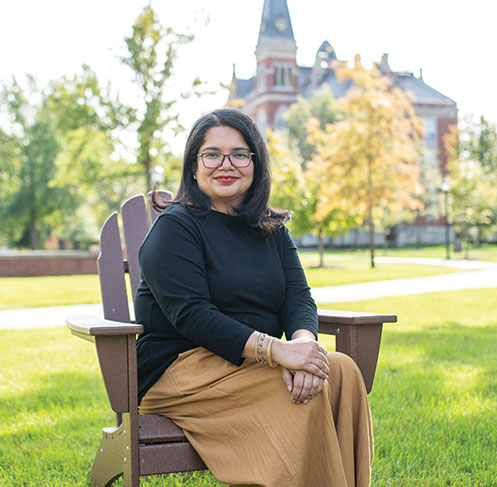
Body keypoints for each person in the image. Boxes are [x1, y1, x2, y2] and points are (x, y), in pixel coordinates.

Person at [134, 109, 373, 486]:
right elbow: (193, 315)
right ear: (194, 166)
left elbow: (298, 297)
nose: (225, 164)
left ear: (255, 165)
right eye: (211, 154)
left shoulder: (270, 228)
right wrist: (278, 353)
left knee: (340, 370)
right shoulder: (176, 227)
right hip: (181, 369)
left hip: (247, 366)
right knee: (296, 396)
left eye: (239, 154)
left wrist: (304, 348)